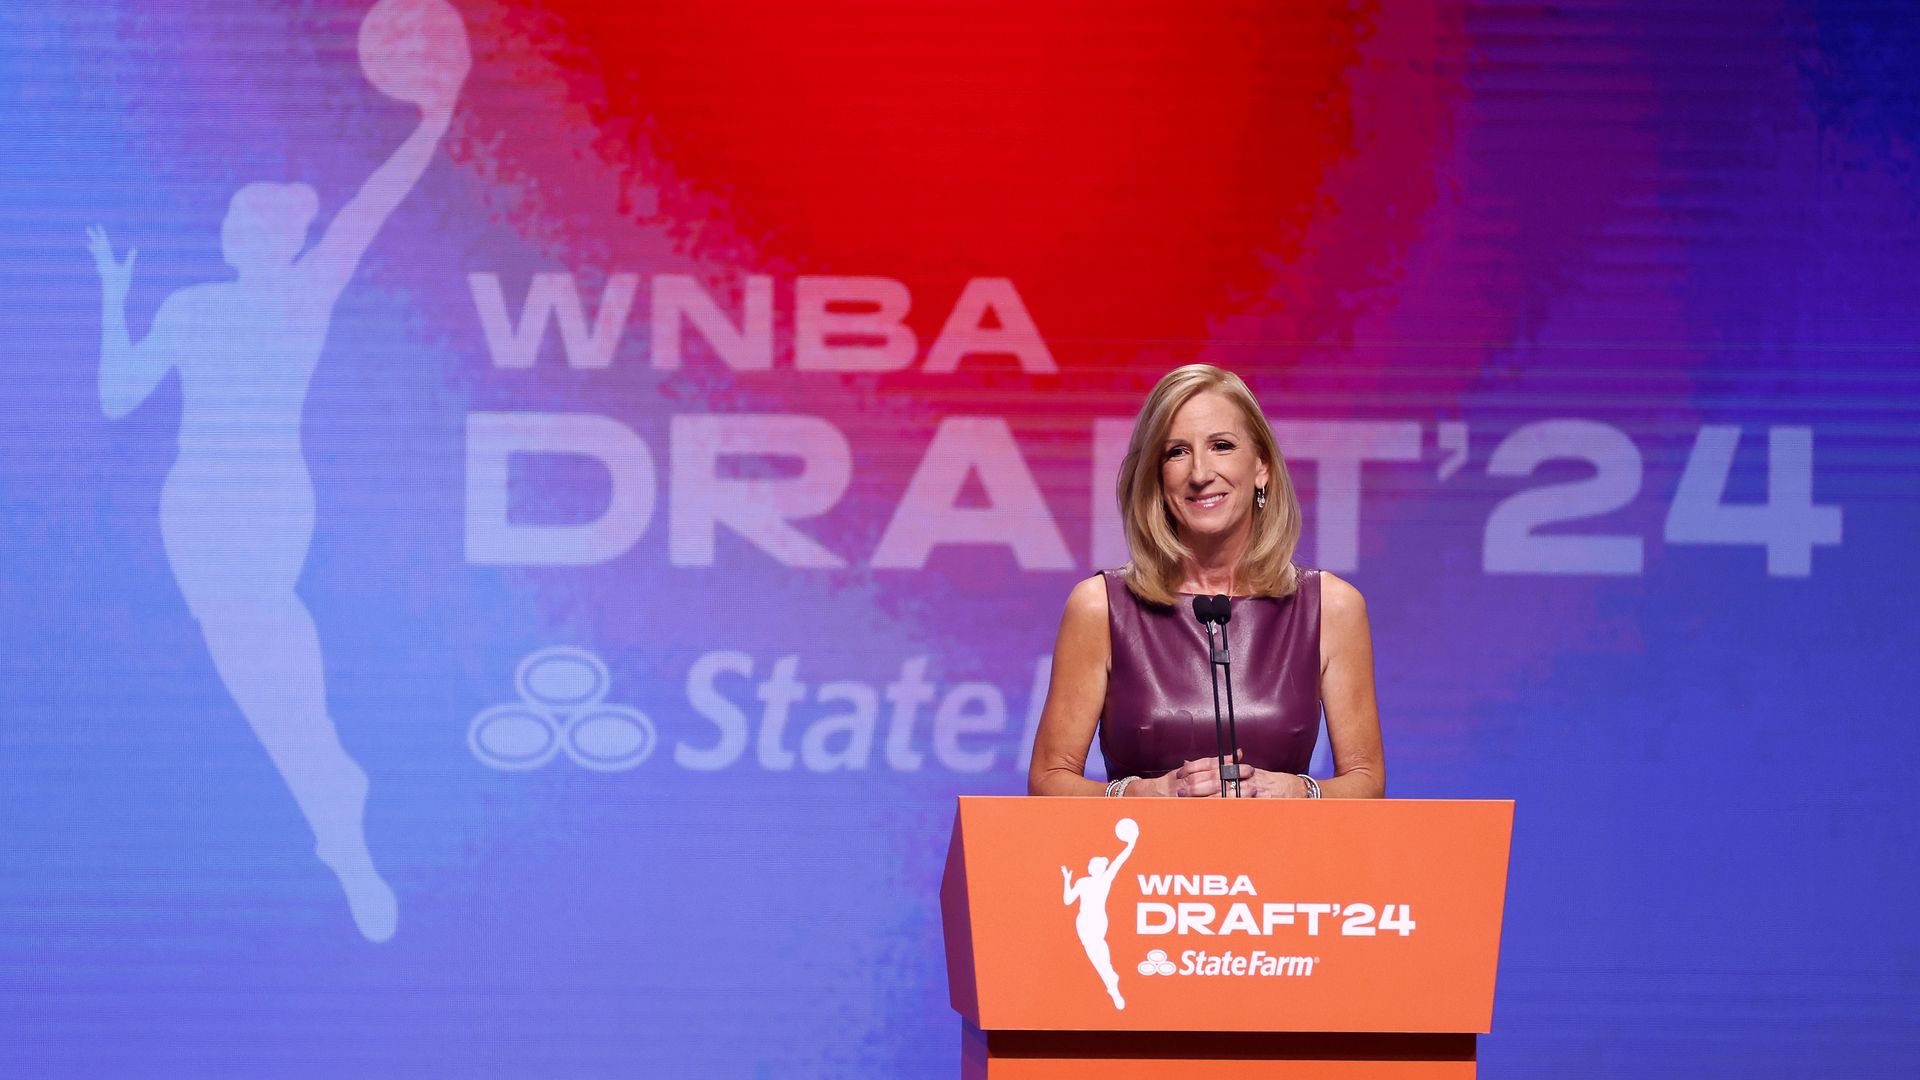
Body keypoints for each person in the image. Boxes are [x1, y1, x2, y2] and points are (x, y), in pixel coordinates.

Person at [84, 0, 465, 940]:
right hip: (199, 509)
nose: (238, 229)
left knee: (268, 665)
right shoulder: (196, 306)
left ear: (271, 240)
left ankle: (335, 806)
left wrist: (434, 126)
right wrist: (112, 301)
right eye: (236, 217)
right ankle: (335, 797)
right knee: (263, 666)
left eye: (253, 219)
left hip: (260, 507)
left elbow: (372, 206)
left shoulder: (303, 293)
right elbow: (116, 401)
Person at [1028, 364, 1384, 799]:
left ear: (1262, 467)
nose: (1200, 472)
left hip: (1285, 862)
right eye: (1176, 452)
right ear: (1157, 479)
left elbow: (1366, 780)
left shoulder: (1331, 607)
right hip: (1144, 863)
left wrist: (1301, 794)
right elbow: (1049, 779)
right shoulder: (1100, 606)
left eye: (1221, 446)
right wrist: (1138, 796)